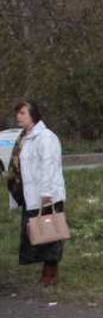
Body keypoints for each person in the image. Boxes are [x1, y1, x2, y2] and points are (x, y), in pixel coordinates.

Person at [6, 101, 66, 286]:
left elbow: (49, 166)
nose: (18, 116)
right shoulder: (24, 137)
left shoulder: (45, 137)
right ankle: (46, 272)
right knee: (35, 232)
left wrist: (46, 194)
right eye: (18, 113)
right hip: (31, 195)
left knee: (50, 233)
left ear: (34, 115)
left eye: (22, 113)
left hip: (45, 195)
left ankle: (51, 274)